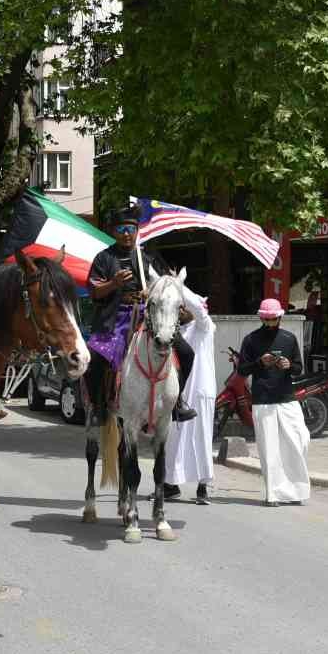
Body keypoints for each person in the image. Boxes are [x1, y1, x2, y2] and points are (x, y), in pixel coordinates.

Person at [85, 209, 196, 438]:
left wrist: (158, 292)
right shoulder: (104, 259)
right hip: (115, 318)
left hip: (149, 315)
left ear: (137, 231)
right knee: (94, 357)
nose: (127, 234)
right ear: (114, 232)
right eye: (122, 230)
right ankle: (98, 407)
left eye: (131, 230)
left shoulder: (148, 257)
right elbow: (94, 291)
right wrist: (114, 284)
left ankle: (176, 402)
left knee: (186, 352)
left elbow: (168, 284)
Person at [236, 298, 309, 505]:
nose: (270, 323)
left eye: (274, 319)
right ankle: (272, 494)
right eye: (267, 319)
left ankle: (295, 491)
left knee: (299, 439)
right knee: (269, 450)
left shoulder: (289, 338)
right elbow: (242, 370)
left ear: (280, 317)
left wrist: (288, 365)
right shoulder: (251, 340)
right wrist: (259, 362)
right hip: (263, 400)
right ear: (261, 317)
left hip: (287, 397)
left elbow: (298, 367)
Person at [162, 281, 217, 504]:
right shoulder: (173, 329)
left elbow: (197, 308)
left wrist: (177, 285)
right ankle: (171, 484)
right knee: (173, 438)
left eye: (185, 307)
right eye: (180, 307)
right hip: (179, 390)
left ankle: (203, 485)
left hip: (201, 390)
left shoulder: (205, 326)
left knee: (202, 438)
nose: (182, 310)